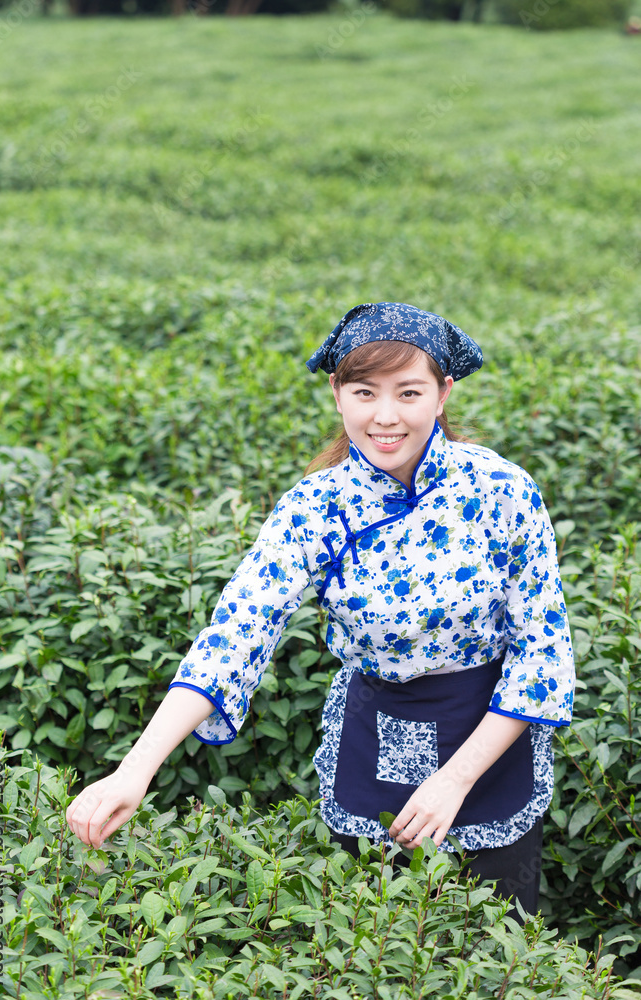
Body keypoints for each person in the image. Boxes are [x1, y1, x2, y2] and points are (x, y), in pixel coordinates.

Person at [66, 302, 575, 919]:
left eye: (408, 392)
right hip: (374, 735)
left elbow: (541, 656)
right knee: (371, 941)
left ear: (442, 393)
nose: (385, 417)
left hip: (489, 743)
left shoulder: (503, 491)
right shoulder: (315, 505)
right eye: (364, 392)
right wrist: (134, 769)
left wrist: (454, 780)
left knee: (495, 946)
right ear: (338, 394)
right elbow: (237, 633)